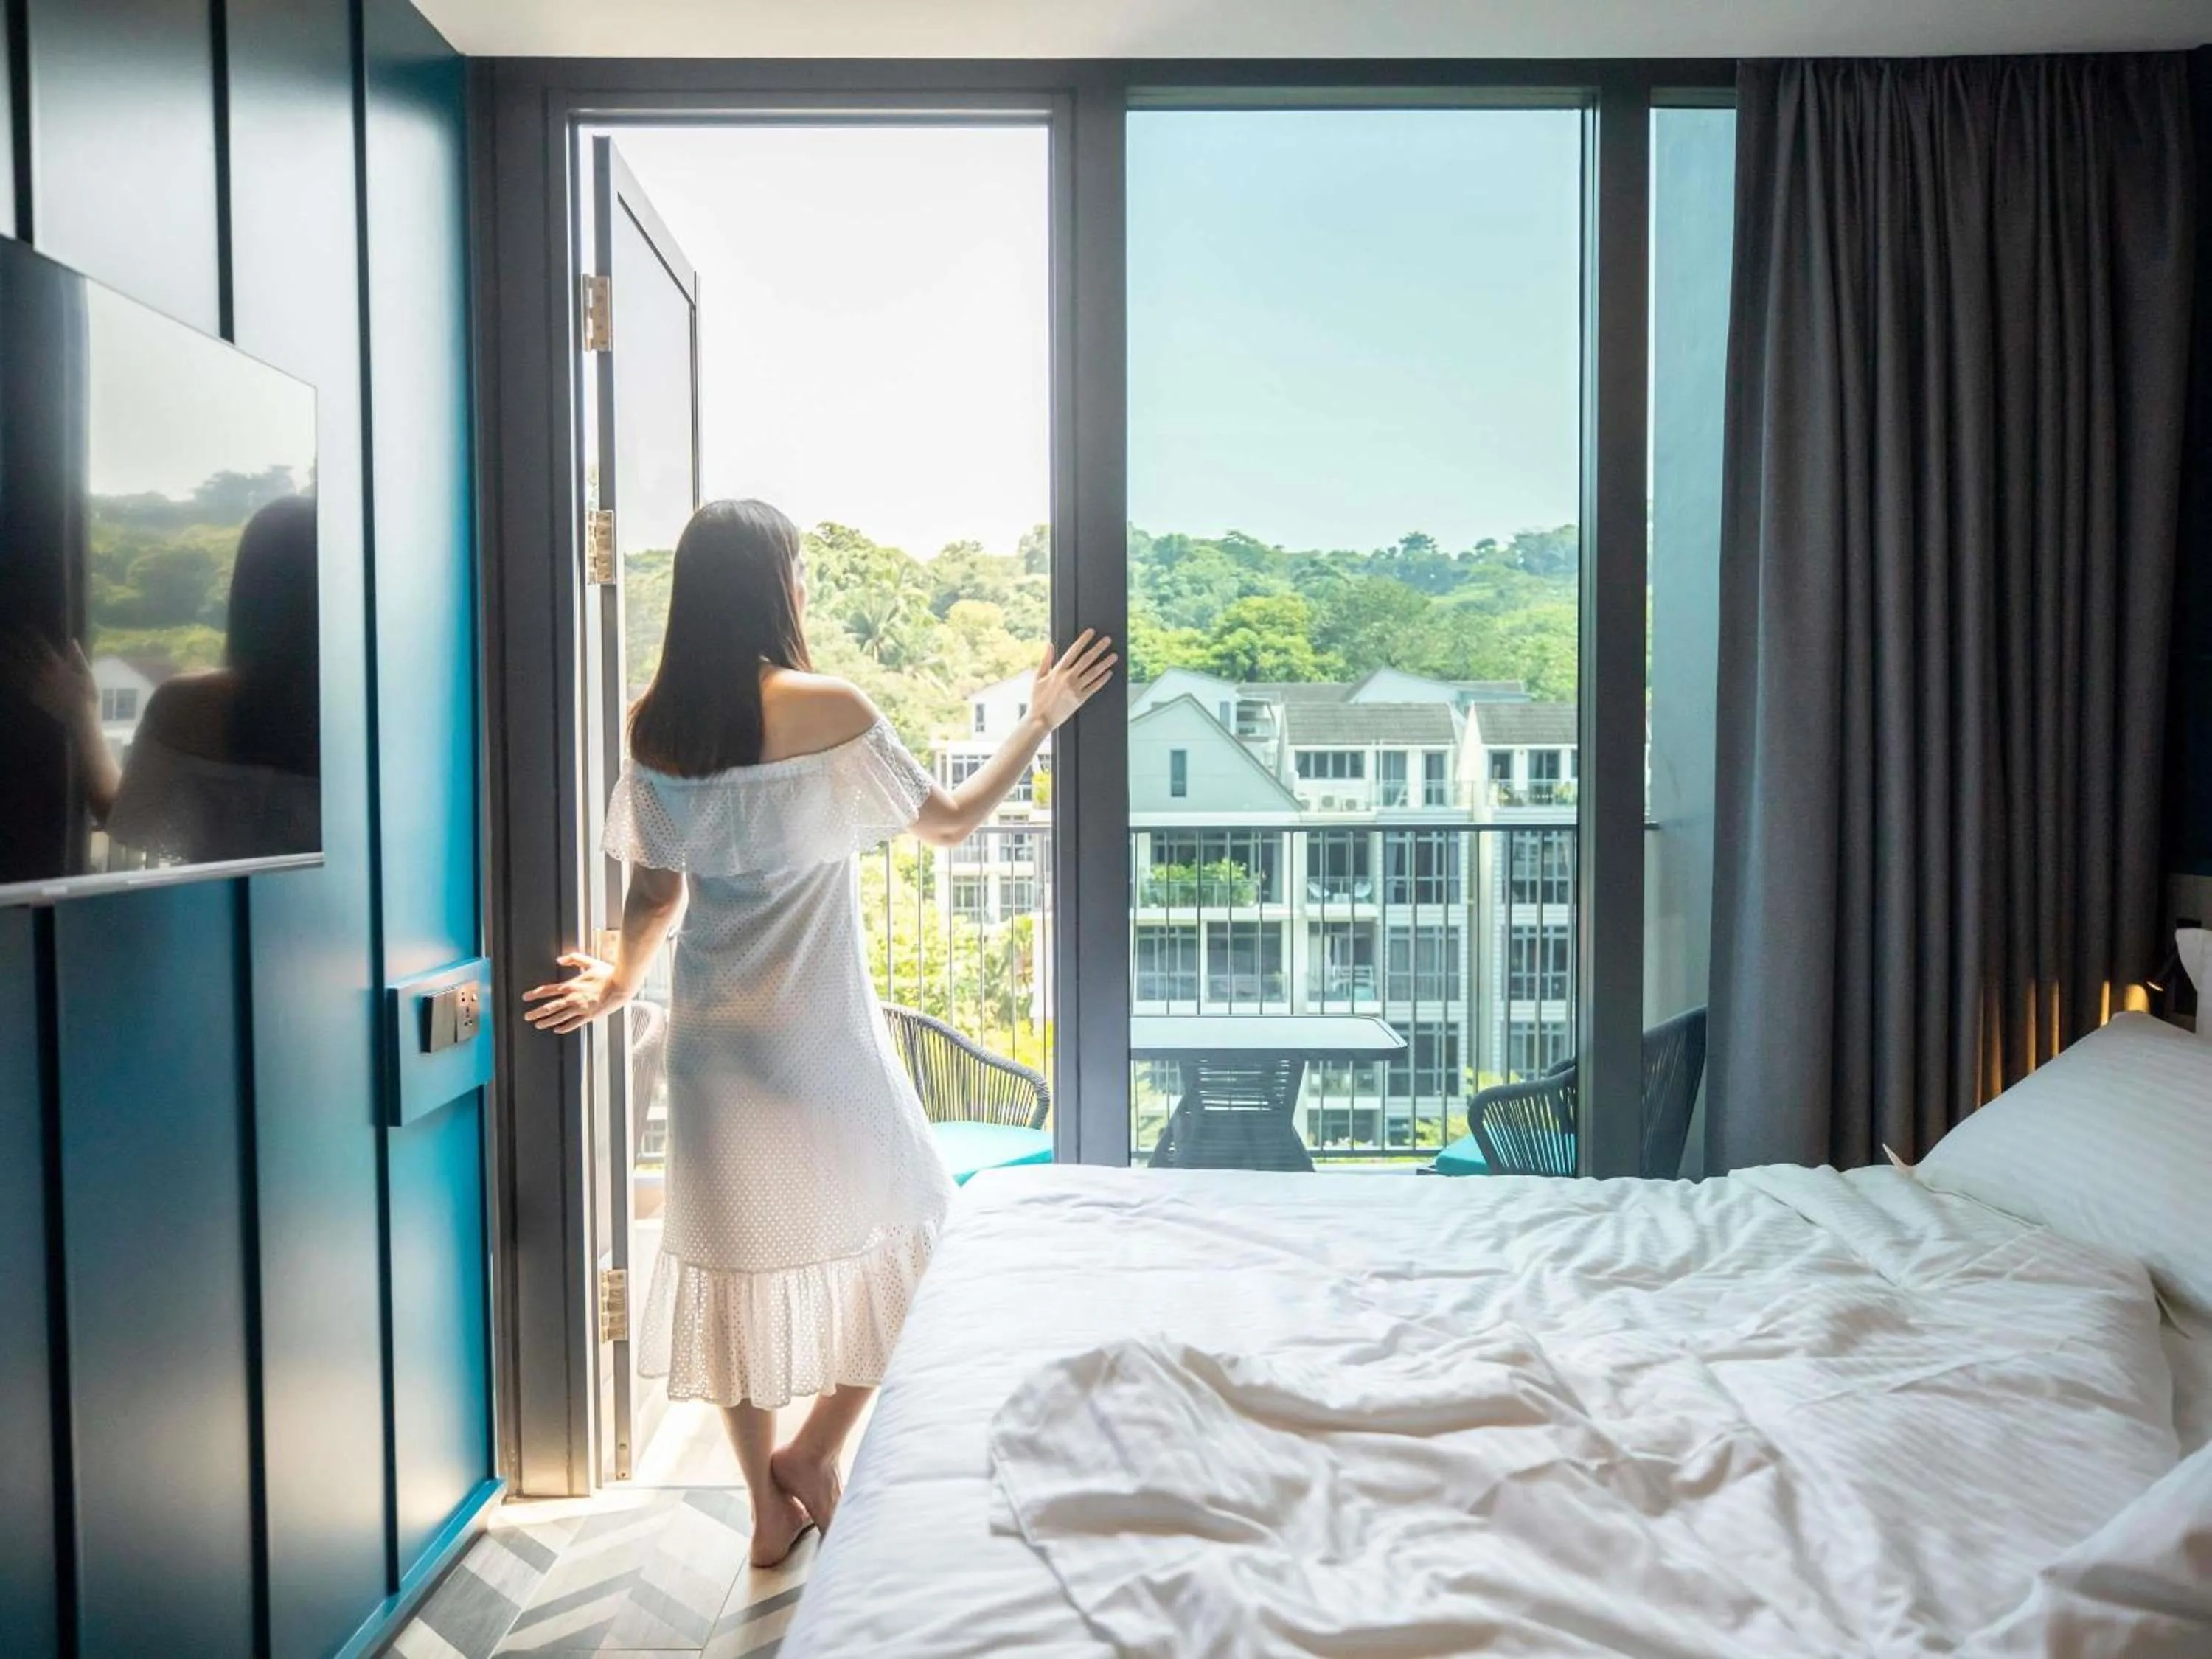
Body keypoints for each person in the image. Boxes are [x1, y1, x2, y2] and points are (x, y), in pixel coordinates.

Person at [524, 498, 1113, 1567]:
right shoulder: (826, 704)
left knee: (734, 1272)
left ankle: (765, 1507)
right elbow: (950, 823)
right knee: (929, 1221)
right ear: (775, 585)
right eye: (798, 571)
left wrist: (618, 980)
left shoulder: (652, 722)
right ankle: (817, 1451)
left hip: (711, 1044)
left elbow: (656, 893)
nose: (806, 586)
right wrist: (1040, 717)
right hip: (817, 1035)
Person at [5, 493, 320, 866]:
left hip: (216, 917)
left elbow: (122, 815)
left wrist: (81, 713)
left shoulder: (190, 705)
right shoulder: (375, 712)